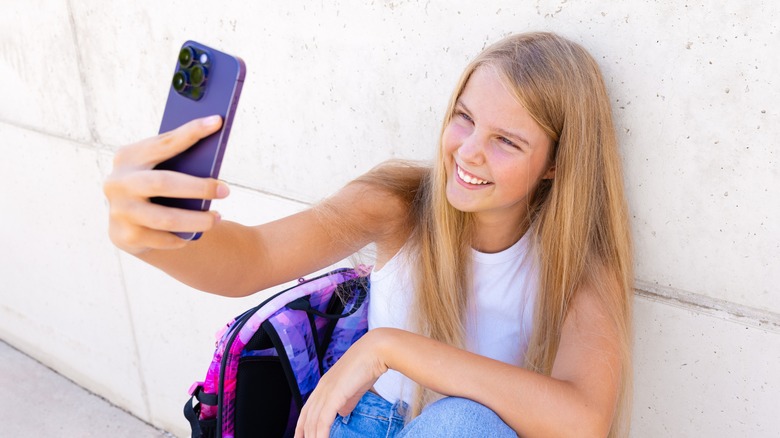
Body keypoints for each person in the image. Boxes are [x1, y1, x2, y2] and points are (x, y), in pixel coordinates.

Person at [104, 32, 633, 437]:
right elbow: (254, 257)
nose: (468, 151)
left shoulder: (576, 265)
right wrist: (150, 238)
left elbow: (582, 419)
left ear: (556, 165)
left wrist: (389, 347)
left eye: (506, 141)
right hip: (358, 423)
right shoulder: (401, 203)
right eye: (464, 118)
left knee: (461, 423)